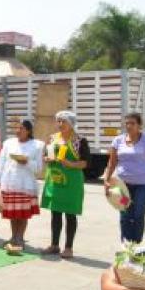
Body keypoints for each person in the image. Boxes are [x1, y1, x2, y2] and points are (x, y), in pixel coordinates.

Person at [42, 111, 90, 259]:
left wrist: (70, 163)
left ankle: (69, 248)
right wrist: (47, 159)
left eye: (64, 121)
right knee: (55, 213)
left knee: (70, 215)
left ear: (72, 123)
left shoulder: (80, 141)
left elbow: (85, 163)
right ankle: (54, 245)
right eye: (59, 121)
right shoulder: (53, 138)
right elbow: (46, 155)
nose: (60, 124)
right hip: (55, 181)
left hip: (72, 183)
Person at [0, 120, 44, 248]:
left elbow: (38, 168)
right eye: (17, 128)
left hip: (25, 185)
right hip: (9, 182)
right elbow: (1, 162)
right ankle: (13, 237)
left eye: (21, 128)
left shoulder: (37, 145)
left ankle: (20, 237)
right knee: (13, 213)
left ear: (29, 131)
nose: (18, 131)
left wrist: (26, 162)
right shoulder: (8, 143)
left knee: (22, 214)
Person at [104, 112, 145, 244]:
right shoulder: (118, 140)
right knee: (125, 213)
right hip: (123, 186)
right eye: (127, 123)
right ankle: (126, 245)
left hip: (144, 186)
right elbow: (112, 162)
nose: (129, 126)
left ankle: (136, 245)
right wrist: (107, 180)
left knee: (138, 214)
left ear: (139, 125)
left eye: (132, 123)